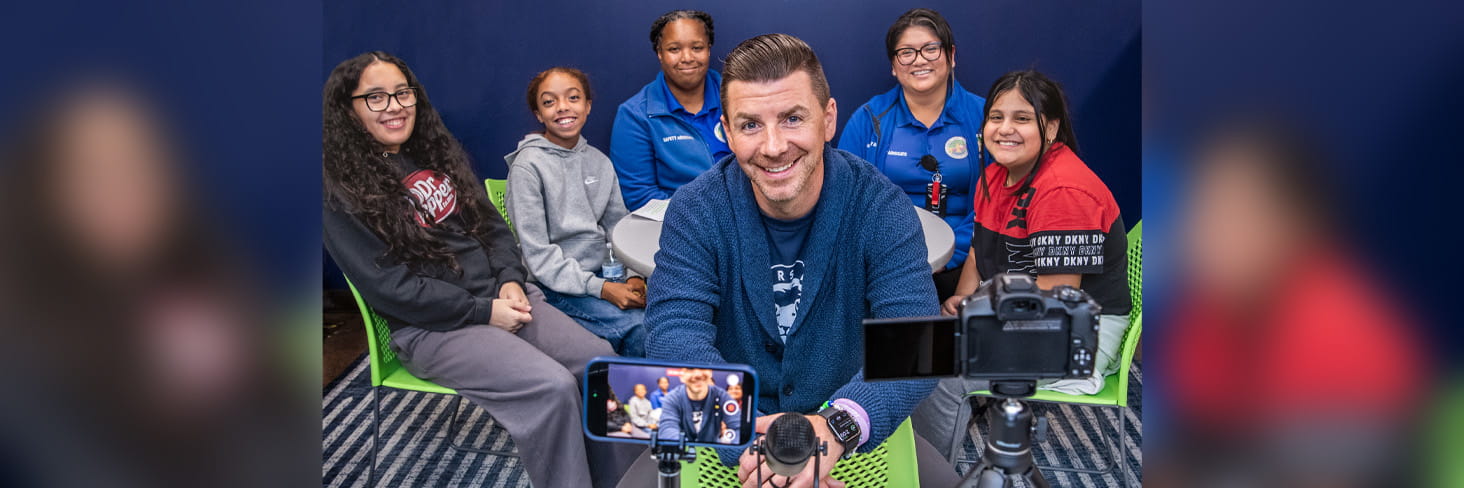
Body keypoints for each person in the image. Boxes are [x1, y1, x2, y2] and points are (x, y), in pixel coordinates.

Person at [618, 34, 959, 488]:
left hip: (847, 422)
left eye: (793, 118)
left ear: (828, 119)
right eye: (750, 125)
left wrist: (838, 426)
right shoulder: (695, 209)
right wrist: (743, 439)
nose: (774, 146)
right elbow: (674, 334)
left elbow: (917, 342)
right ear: (727, 132)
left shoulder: (881, 206)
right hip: (728, 427)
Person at [321, 51, 618, 488]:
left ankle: (624, 480)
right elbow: (388, 287)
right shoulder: (339, 189)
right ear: (349, 109)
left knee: (602, 364)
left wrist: (511, 279)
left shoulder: (432, 152)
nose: (395, 106)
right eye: (376, 97)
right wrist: (483, 311)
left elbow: (492, 228)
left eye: (403, 93)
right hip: (433, 327)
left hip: (503, 298)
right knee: (552, 388)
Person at [913, 70, 1133, 461]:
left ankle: (924, 472)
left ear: (1051, 128)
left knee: (936, 370)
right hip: (1018, 308)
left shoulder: (1063, 190)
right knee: (905, 339)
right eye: (996, 117)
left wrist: (972, 321)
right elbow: (979, 251)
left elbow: (1056, 300)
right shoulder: (995, 175)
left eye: (1022, 118)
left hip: (1074, 332)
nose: (1005, 129)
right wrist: (963, 299)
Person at [837, 8, 985, 302]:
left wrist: (953, 254)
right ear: (894, 65)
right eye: (906, 53)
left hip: (967, 264)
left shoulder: (985, 117)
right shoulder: (868, 119)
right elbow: (845, 199)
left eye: (930, 49)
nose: (919, 60)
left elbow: (998, 201)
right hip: (886, 266)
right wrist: (898, 259)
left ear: (951, 55)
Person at [506, 67, 649, 357]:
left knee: (672, 316)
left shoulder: (599, 162)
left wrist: (634, 276)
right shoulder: (528, 167)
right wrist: (602, 289)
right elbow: (538, 258)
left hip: (602, 275)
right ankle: (634, 388)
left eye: (573, 98)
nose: (562, 107)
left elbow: (618, 227)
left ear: (588, 106)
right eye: (549, 102)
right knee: (640, 329)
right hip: (554, 286)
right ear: (538, 114)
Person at [610, 9, 731, 210]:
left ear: (709, 49)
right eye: (674, 49)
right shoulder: (634, 115)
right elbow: (640, 196)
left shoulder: (737, 96)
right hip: (679, 221)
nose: (687, 57)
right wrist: (709, 216)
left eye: (697, 47)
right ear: (660, 53)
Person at [656, 369, 740, 444]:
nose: (698, 374)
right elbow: (667, 428)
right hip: (682, 453)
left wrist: (729, 449)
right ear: (681, 376)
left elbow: (738, 427)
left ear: (711, 372)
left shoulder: (723, 397)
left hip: (714, 452)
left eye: (703, 367)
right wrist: (686, 449)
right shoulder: (672, 398)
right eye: (690, 368)